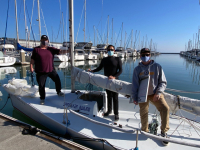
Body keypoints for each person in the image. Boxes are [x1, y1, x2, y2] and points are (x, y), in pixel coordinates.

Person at [131, 48, 170, 146]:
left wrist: (158, 93)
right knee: (143, 112)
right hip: (142, 94)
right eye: (143, 54)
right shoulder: (137, 69)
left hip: (155, 93)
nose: (145, 56)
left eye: (147, 54)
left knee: (165, 108)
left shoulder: (157, 67)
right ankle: (145, 130)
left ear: (150, 55)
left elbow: (163, 82)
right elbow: (135, 85)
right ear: (140, 56)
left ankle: (164, 132)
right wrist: (134, 97)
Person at [88, 45, 122, 121]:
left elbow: (120, 70)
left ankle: (116, 113)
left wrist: (114, 77)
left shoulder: (117, 59)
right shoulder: (104, 59)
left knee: (115, 98)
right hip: (106, 81)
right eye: (109, 49)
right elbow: (99, 68)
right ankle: (109, 111)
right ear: (106, 51)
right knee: (109, 96)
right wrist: (92, 71)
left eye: (112, 49)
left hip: (115, 81)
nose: (110, 51)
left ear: (114, 50)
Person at [30, 35, 65, 105]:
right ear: (40, 41)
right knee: (41, 85)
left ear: (48, 41)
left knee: (57, 80)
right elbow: (32, 59)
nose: (44, 41)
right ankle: (42, 98)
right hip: (41, 71)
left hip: (51, 69)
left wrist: (68, 50)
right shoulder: (36, 49)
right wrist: (31, 67)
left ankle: (59, 92)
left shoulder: (51, 49)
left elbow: (60, 51)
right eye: (43, 40)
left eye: (45, 40)